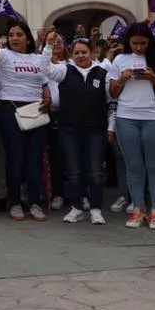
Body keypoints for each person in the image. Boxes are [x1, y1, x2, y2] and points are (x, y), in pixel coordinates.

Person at [0, 16, 57, 221]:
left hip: (36, 109)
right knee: (15, 157)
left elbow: (44, 81)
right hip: (10, 108)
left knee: (34, 158)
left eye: (19, 35)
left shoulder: (36, 58)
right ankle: (14, 202)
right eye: (11, 35)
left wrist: (48, 95)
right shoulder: (4, 55)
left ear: (28, 38)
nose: (14, 38)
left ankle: (34, 202)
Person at [108, 24, 155, 230]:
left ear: (150, 42)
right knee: (134, 165)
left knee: (154, 165)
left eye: (143, 43)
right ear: (128, 41)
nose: (138, 47)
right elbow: (113, 93)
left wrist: (152, 76)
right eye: (134, 43)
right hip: (126, 117)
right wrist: (122, 78)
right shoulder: (119, 59)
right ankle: (138, 207)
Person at [53, 38, 110, 226]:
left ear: (92, 52)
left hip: (95, 129)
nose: (80, 56)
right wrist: (48, 46)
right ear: (71, 55)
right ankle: (76, 208)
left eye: (84, 52)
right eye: (76, 53)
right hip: (69, 129)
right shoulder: (64, 71)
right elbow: (44, 68)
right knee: (74, 171)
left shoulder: (103, 73)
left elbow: (111, 102)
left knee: (95, 171)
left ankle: (95, 209)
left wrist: (111, 127)